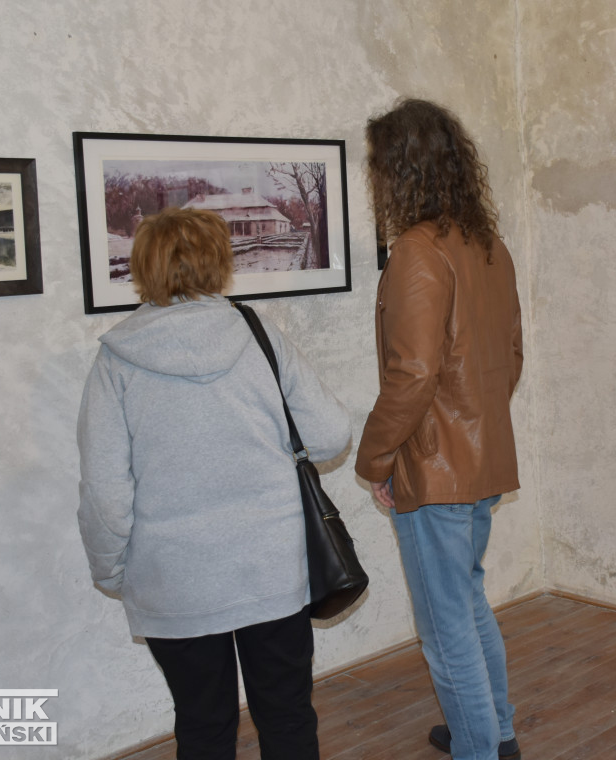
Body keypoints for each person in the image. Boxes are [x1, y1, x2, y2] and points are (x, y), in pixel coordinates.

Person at [77, 207, 351, 760]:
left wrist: (112, 570)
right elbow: (331, 436)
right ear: (219, 263)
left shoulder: (116, 361)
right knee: (288, 713)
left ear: (143, 268)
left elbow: (106, 493)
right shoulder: (257, 334)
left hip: (175, 580)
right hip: (271, 567)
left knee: (202, 726)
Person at [354, 98, 524, 760]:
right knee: (467, 600)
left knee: (443, 622)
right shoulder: (489, 247)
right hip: (481, 462)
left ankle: (479, 748)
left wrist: (376, 461)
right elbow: (510, 359)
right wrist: (474, 424)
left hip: (434, 469)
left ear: (400, 169)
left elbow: (413, 376)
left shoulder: (417, 254)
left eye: (377, 164)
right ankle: (497, 730)